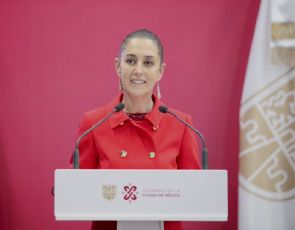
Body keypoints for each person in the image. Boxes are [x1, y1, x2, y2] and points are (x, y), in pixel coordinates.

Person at [73, 29, 201, 230]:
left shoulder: (181, 124)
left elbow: (194, 193)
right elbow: (77, 192)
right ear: (118, 66)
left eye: (148, 63)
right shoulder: (94, 122)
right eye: (131, 61)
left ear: (161, 71)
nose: (138, 70)